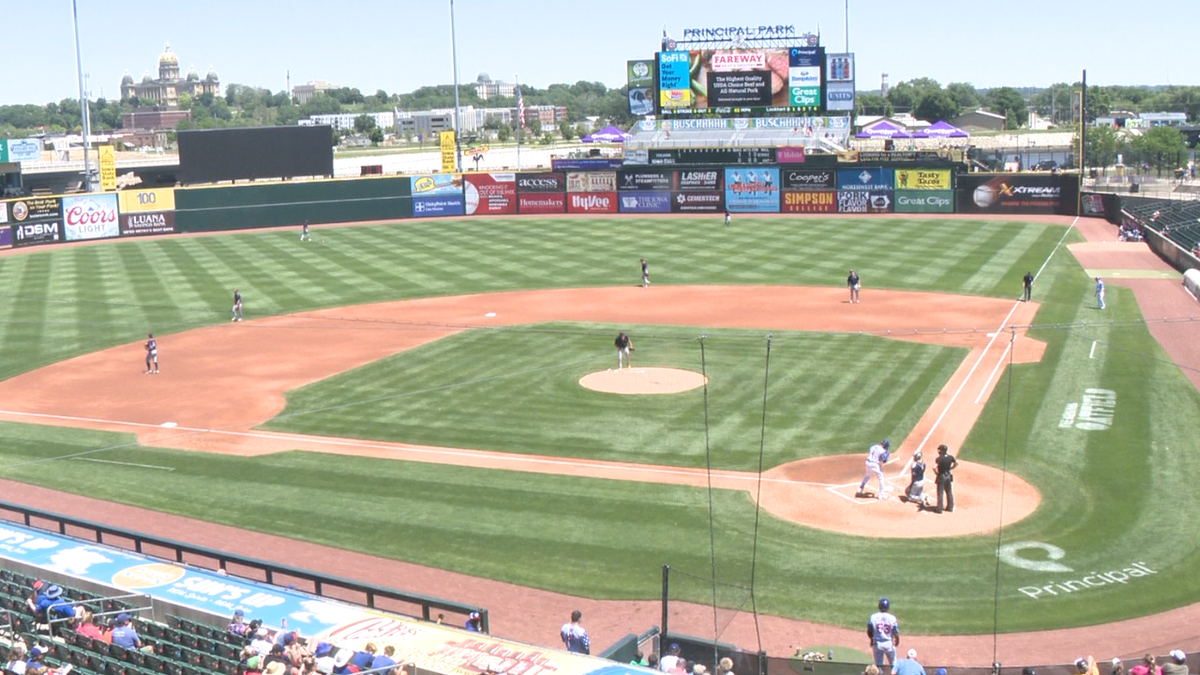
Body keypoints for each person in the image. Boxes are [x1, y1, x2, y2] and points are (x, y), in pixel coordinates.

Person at [867, 597, 900, 668]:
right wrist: (897, 640)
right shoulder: (892, 618)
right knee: (894, 663)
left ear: (879, 606)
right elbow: (895, 632)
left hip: (877, 644)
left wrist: (872, 639)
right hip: (889, 644)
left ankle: (881, 672)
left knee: (879, 666)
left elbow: (869, 630)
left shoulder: (873, 617)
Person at [933, 444, 958, 513]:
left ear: (942, 450)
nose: (939, 451)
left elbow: (934, 467)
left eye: (940, 450)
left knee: (940, 492)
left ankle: (939, 509)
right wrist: (951, 468)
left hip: (942, 476)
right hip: (948, 476)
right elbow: (956, 463)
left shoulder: (939, 458)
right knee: (949, 491)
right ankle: (950, 507)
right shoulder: (950, 457)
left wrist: (937, 473)